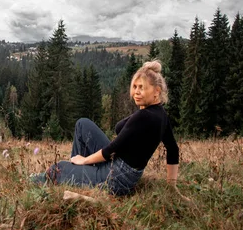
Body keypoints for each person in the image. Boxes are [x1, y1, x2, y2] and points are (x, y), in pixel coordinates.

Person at [32, 60, 180, 196]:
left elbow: (111, 149)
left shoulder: (144, 116)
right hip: (124, 171)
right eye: (135, 87)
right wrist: (171, 186)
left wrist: (84, 160)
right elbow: (173, 149)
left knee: (58, 169)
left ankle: (62, 175)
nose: (136, 92)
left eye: (142, 88)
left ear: (157, 91)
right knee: (82, 124)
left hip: (116, 178)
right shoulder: (159, 115)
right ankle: (78, 173)